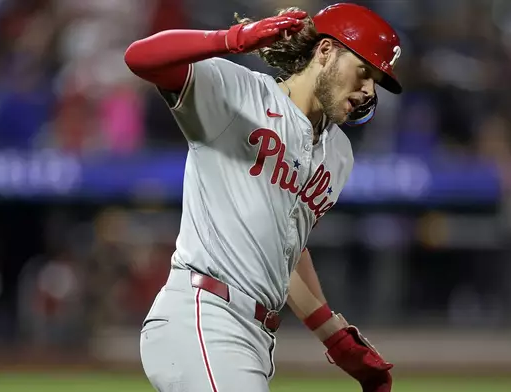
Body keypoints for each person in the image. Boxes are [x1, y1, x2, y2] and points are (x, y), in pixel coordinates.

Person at [124, 3, 402, 392]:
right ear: (325, 52)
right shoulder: (240, 93)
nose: (369, 89)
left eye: (377, 81)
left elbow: (286, 245)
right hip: (203, 315)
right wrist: (231, 40)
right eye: (364, 72)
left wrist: (333, 336)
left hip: (256, 336)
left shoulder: (339, 155)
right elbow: (139, 58)